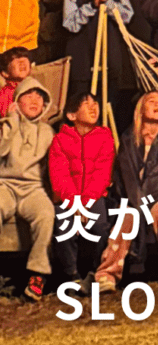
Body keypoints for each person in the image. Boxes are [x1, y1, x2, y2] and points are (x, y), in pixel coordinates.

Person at [95, 90, 158, 289]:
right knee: (127, 214)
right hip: (131, 200)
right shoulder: (128, 139)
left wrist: (143, 205)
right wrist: (135, 205)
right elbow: (125, 178)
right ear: (141, 109)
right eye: (152, 101)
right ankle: (107, 274)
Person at [63, 0, 136, 134]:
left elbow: (127, 15)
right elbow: (69, 24)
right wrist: (91, 6)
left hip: (110, 50)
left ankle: (106, 142)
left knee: (108, 100)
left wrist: (108, 3)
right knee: (82, 101)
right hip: (83, 51)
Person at [48, 91, 115, 281]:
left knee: (100, 226)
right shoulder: (60, 140)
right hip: (67, 197)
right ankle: (71, 275)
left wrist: (86, 202)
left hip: (93, 196)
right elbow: (59, 175)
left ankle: (96, 272)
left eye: (95, 104)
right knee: (64, 227)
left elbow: (102, 174)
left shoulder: (105, 137)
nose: (93, 107)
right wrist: (74, 202)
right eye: (86, 104)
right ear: (72, 115)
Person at [0, 75, 55, 300]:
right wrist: (11, 122)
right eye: (28, 95)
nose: (34, 100)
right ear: (17, 100)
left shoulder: (48, 131)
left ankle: (38, 274)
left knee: (46, 214)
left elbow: (53, 165)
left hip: (33, 188)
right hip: (5, 184)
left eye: (39, 97)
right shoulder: (5, 125)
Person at [0, 47, 33, 117]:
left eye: (25, 58)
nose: (22, 62)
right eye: (15, 59)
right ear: (5, 73)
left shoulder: (35, 89)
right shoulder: (5, 95)